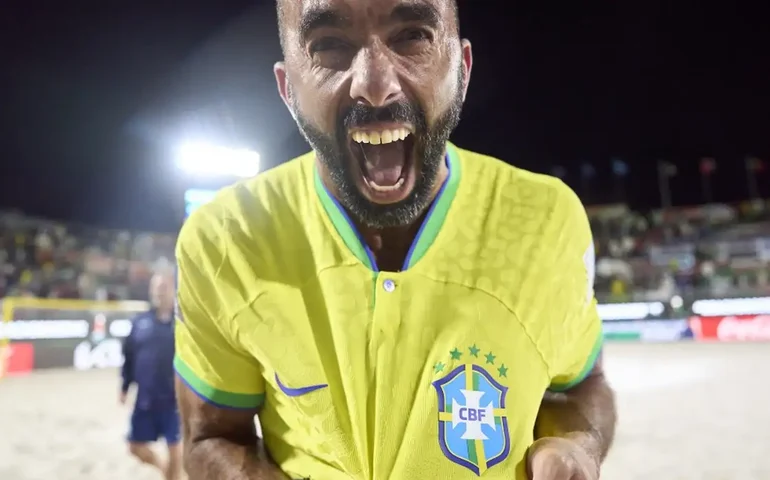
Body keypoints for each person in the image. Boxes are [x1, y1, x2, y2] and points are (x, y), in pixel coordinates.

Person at [173, 1, 617, 479]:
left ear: (462, 69)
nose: (375, 84)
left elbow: (579, 385)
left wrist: (577, 446)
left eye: (412, 36)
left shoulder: (545, 221)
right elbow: (212, 436)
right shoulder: (227, 239)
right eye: (329, 45)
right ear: (288, 89)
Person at [121, 271, 182, 480]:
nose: (158, 292)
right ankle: (165, 471)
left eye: (163, 287)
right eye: (155, 288)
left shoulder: (181, 323)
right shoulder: (140, 322)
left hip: (175, 400)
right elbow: (129, 356)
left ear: (173, 290)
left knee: (176, 450)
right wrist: (124, 386)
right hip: (146, 399)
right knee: (134, 447)